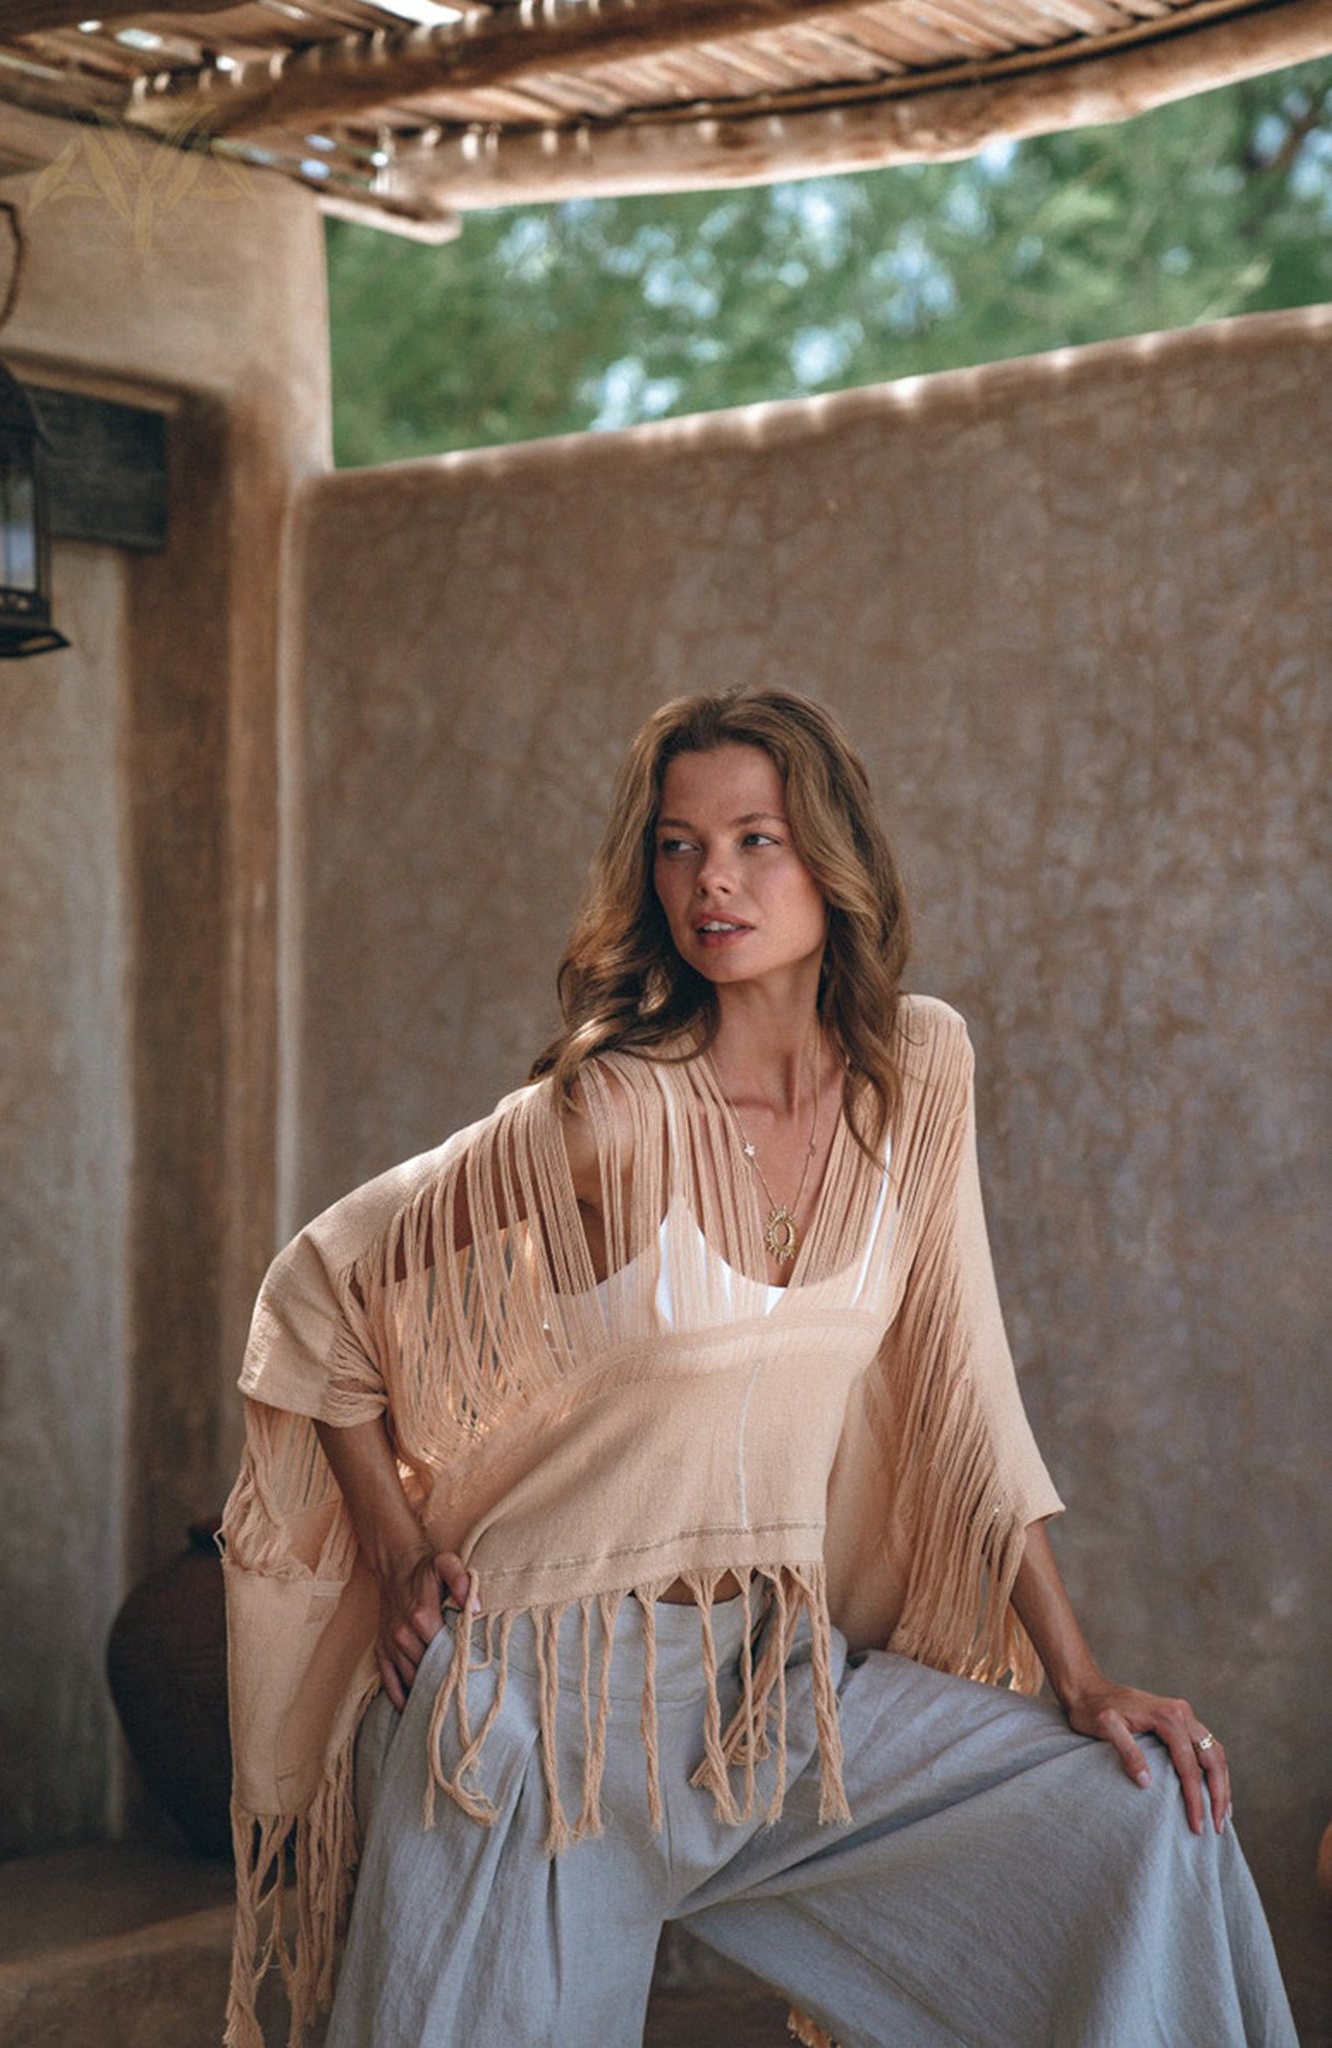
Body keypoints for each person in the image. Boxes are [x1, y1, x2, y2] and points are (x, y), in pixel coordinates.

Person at [222, 689, 1296, 2048]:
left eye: (752, 840)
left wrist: (1077, 1677)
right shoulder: (611, 1107)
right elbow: (319, 1291)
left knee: (1141, 1821)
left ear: (831, 859)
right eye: (677, 847)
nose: (709, 881)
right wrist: (393, 1554)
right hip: (535, 1710)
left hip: (773, 1695)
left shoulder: (916, 1071)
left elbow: (967, 1390)